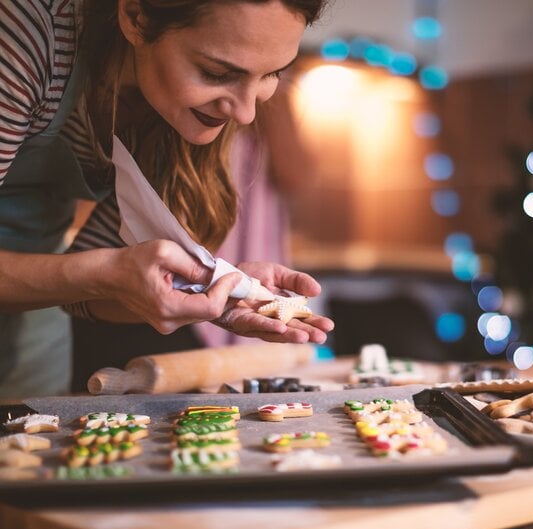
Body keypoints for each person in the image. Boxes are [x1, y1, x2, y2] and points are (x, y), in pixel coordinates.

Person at [0, 0, 333, 397]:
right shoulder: (30, 32)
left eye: (272, 73)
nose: (245, 113)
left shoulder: (172, 112)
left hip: (29, 320)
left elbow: (85, 297)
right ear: (136, 16)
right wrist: (102, 271)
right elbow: (94, 275)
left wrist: (217, 293)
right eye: (217, 72)